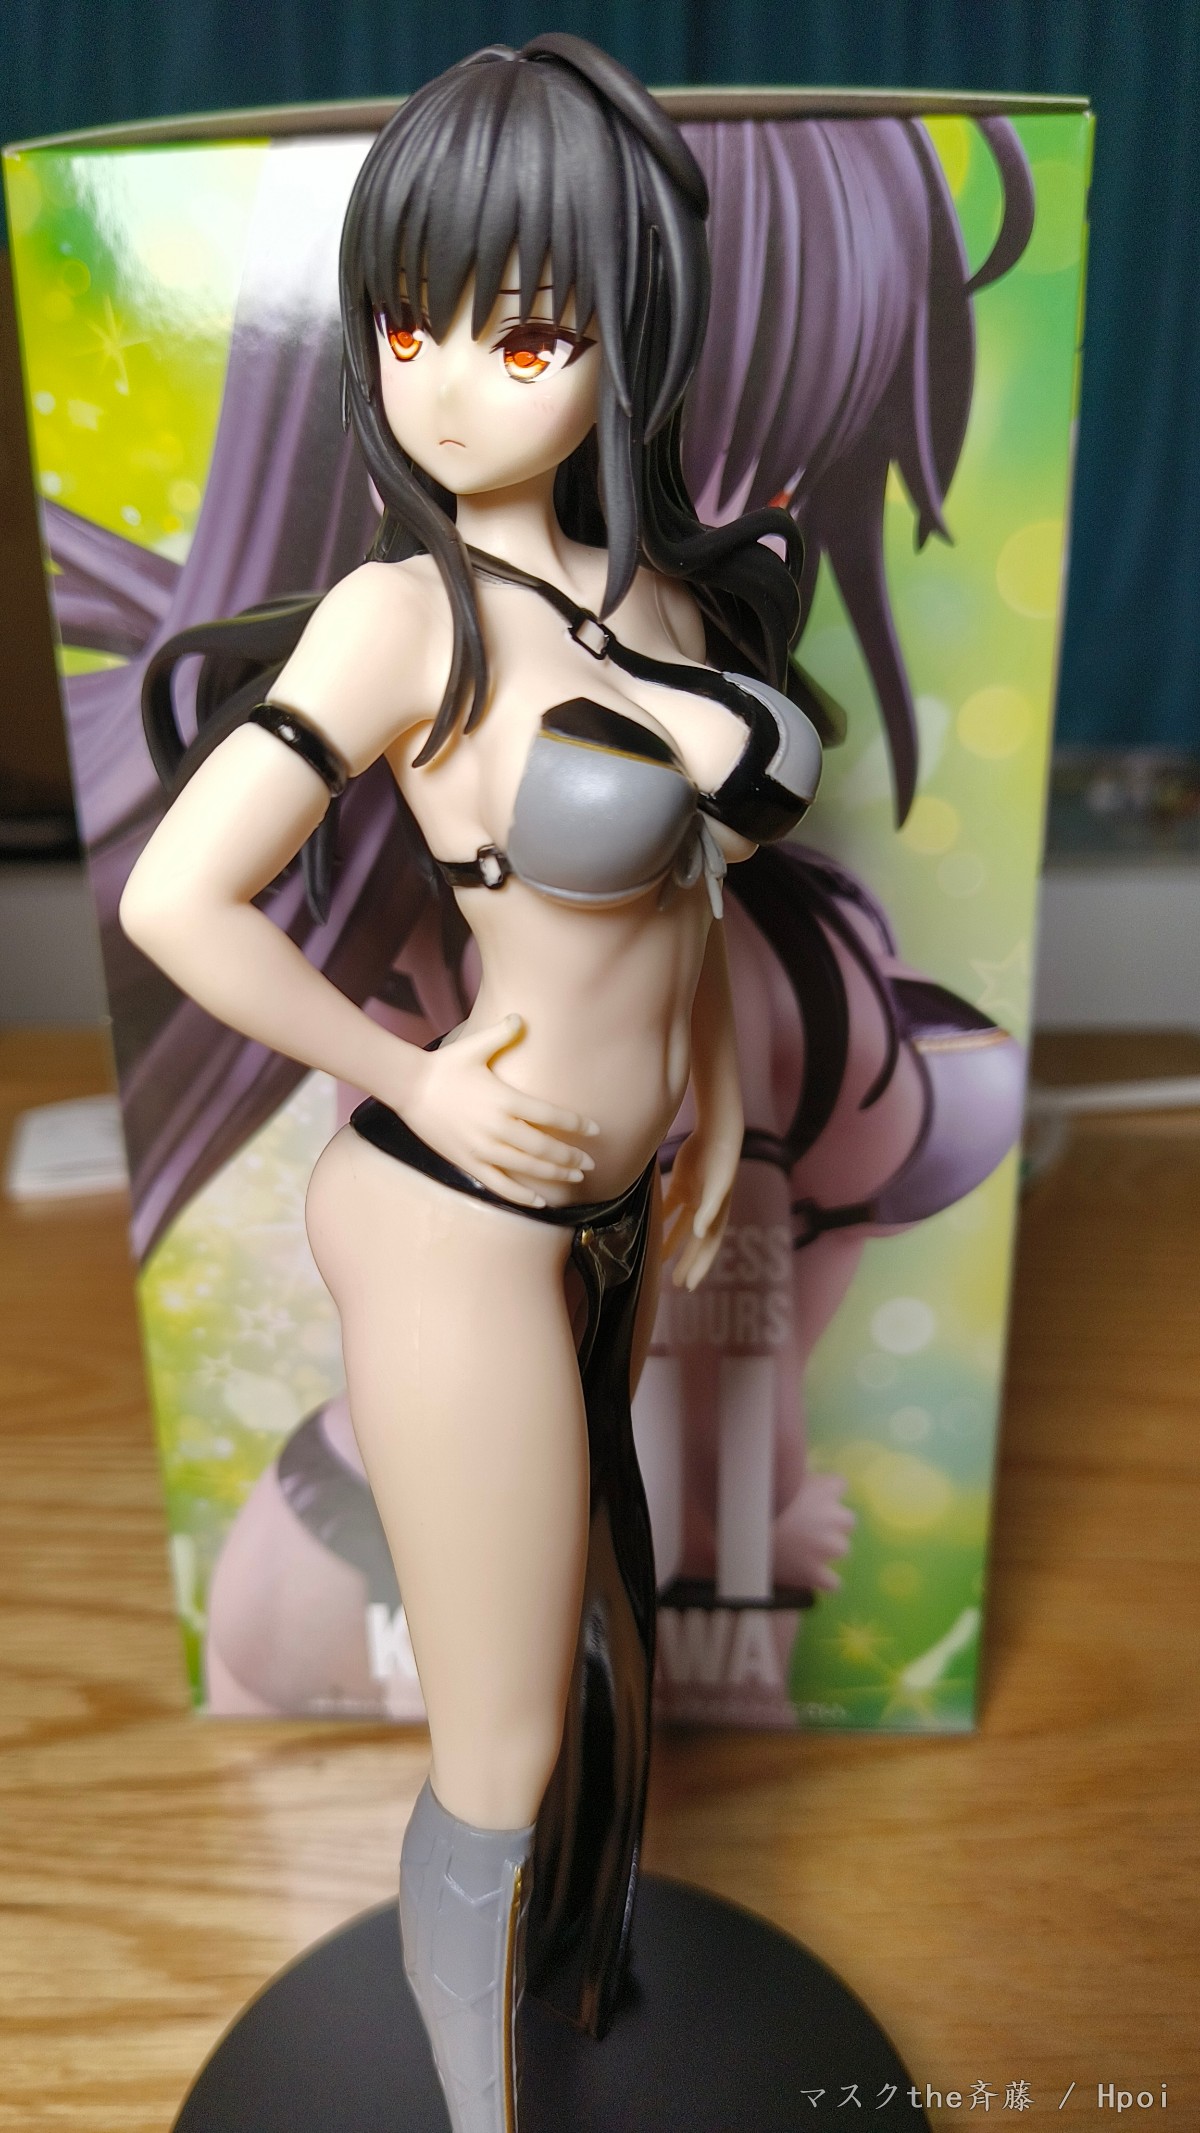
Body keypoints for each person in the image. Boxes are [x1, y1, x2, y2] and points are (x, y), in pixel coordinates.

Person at [119, 38, 825, 2132]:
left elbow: (690, 900)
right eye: (406, 327)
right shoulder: (397, 618)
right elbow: (176, 896)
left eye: (521, 340)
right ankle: (474, 2104)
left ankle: (571, 1976)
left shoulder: (663, 597)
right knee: (504, 1732)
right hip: (458, 1218)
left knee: (608, 1639)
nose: (443, 390)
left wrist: (703, 1107)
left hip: (611, 1207)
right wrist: (402, 1075)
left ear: (629, 338)